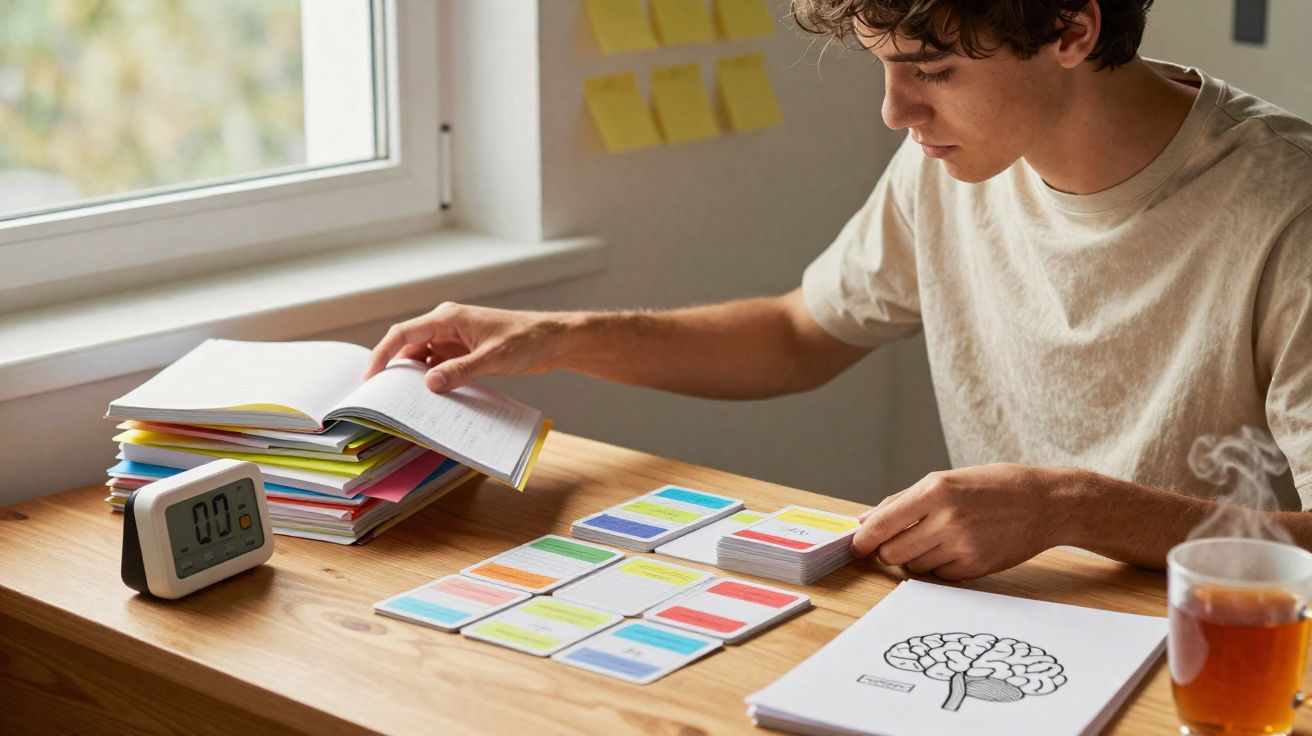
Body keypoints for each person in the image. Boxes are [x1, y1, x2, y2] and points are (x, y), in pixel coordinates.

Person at [366, 0, 1312, 580]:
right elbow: (796, 334)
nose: (896, 113)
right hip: (1007, 634)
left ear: (1072, 26)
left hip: (1224, 659)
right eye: (883, 67)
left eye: (930, 71)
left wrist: (1068, 505)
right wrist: (556, 334)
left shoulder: (1287, 207)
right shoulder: (947, 164)